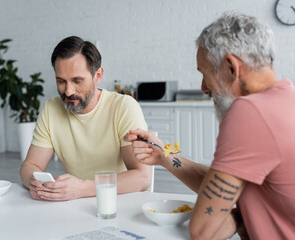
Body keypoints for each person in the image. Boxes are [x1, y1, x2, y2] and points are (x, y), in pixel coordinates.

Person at [125, 12, 295, 240]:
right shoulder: (286, 100)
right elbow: (224, 186)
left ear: (231, 67)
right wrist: (164, 155)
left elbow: (203, 230)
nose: (204, 88)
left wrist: (238, 216)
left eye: (205, 73)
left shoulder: (251, 112)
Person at [20, 36, 151, 201]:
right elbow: (29, 166)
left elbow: (143, 178)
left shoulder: (123, 107)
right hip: (76, 203)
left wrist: (82, 188)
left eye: (77, 81)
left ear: (98, 75)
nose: (68, 91)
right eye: (61, 81)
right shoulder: (51, 110)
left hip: (119, 201)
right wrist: (35, 183)